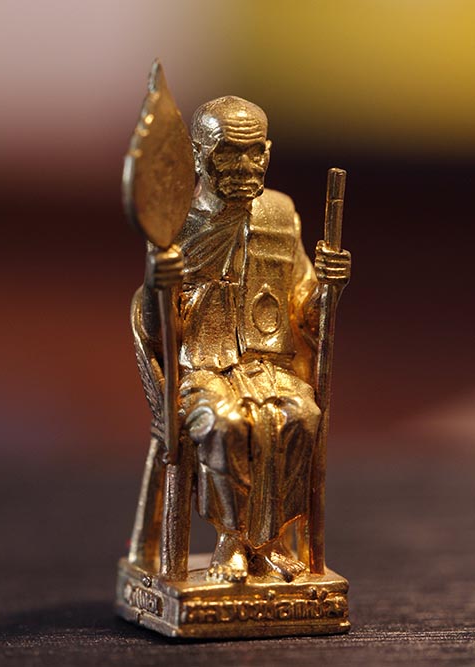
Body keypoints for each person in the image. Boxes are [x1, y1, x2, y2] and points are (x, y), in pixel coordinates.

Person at [132, 96, 351, 583]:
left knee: (301, 416)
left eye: (255, 153)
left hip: (268, 365)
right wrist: (158, 286)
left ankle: (265, 545)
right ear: (199, 155)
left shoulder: (280, 214)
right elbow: (153, 326)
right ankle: (234, 542)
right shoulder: (175, 224)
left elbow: (303, 306)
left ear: (268, 152)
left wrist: (329, 288)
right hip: (202, 369)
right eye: (229, 153)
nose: (245, 167)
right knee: (225, 424)